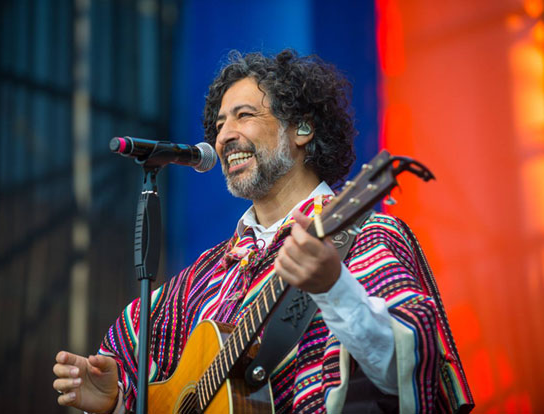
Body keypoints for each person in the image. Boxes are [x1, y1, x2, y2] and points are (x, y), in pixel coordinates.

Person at [53, 50, 473, 413]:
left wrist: (335, 288)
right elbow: (128, 358)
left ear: (302, 129)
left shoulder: (366, 234)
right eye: (219, 125)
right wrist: (117, 401)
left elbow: (409, 361)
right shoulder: (201, 278)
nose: (224, 136)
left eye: (244, 115)